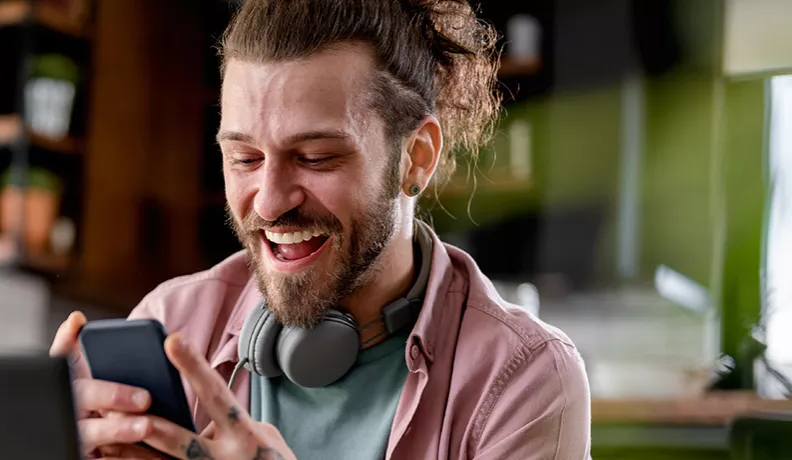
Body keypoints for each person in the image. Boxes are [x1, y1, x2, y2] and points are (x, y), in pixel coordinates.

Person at [50, 0, 592, 458]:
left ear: (417, 158)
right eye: (243, 158)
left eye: (315, 157)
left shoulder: (524, 379)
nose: (268, 201)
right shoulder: (172, 327)